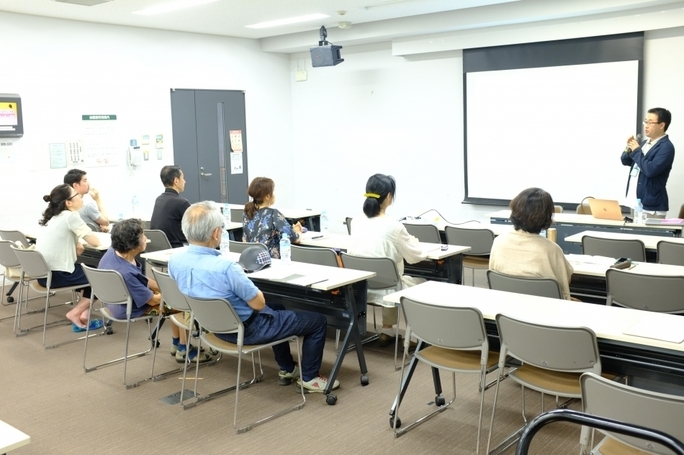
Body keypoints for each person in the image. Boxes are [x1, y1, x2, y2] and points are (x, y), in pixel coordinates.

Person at [169, 201, 338, 393]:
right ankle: (310, 378)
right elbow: (259, 303)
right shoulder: (226, 268)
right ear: (216, 233)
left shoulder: (175, 260)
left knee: (278, 308)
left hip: (214, 328)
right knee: (317, 321)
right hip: (247, 330)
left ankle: (288, 369)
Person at [98, 218, 210, 363]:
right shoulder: (126, 273)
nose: (146, 238)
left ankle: (177, 343)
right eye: (143, 236)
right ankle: (184, 349)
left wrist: (165, 287)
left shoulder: (114, 252)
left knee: (174, 296)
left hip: (114, 302)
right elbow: (153, 300)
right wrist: (175, 291)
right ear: (133, 245)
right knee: (183, 303)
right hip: (129, 308)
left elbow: (142, 279)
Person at [347, 174, 427, 347]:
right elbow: (416, 256)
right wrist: (415, 243)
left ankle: (387, 330)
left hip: (361, 287)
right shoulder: (394, 226)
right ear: (389, 197)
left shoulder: (356, 221)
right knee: (423, 284)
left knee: (389, 275)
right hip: (389, 288)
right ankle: (415, 338)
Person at [35, 184, 103, 332]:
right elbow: (95, 242)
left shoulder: (54, 217)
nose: (80, 196)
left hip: (44, 275)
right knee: (101, 278)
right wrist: (80, 239)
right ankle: (75, 313)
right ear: (68, 202)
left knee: (90, 271)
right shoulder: (71, 216)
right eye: (76, 194)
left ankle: (84, 316)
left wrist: (77, 241)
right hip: (58, 275)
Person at [489, 187, 574, 300]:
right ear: (547, 216)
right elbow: (565, 281)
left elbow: (494, 274)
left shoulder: (498, 241)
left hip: (507, 307)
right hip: (547, 310)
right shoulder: (551, 249)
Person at [622, 107, 675, 218]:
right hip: (635, 204)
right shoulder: (644, 143)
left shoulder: (666, 147)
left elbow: (650, 170)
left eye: (650, 123)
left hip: (651, 207)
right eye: (645, 122)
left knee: (647, 235)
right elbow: (625, 160)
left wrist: (636, 151)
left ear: (662, 125)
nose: (646, 125)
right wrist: (629, 147)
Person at [242, 177, 301, 259]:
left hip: (251, 260)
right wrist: (298, 232)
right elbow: (294, 239)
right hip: (270, 262)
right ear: (267, 196)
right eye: (273, 192)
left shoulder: (247, 213)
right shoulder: (273, 214)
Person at [150, 165, 191, 248]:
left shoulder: (159, 199)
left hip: (159, 249)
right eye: (183, 178)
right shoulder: (182, 203)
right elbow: (197, 227)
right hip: (178, 247)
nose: (185, 181)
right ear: (176, 181)